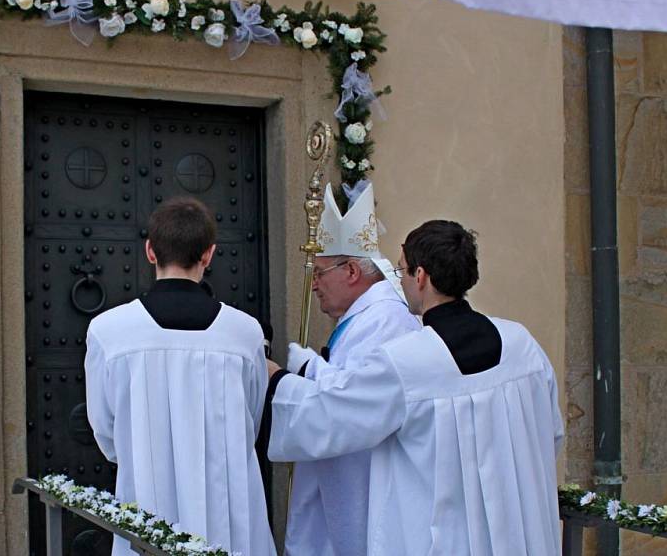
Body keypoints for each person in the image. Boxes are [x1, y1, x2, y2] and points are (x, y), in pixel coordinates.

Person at [268, 220, 565, 555]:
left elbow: (334, 414)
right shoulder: (521, 343)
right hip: (516, 529)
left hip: (442, 536)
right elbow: (549, 432)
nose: (399, 281)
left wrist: (278, 379)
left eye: (402, 271)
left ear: (421, 276)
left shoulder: (407, 361)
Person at [85, 197, 276, 556]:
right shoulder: (244, 332)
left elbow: (106, 431)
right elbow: (250, 420)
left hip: (145, 497)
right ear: (209, 254)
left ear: (150, 251)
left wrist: (143, 451)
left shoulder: (109, 331)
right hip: (228, 504)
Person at [281, 181, 420, 556]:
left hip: (365, 481)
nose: (313, 286)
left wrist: (307, 368)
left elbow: (358, 402)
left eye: (320, 273)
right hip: (341, 475)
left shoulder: (388, 321)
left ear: (352, 272)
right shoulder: (363, 317)